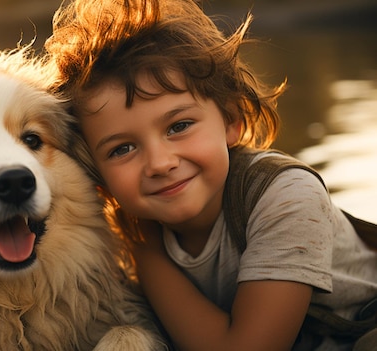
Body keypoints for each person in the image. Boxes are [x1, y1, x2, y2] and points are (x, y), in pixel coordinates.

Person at [43, 0, 377, 350]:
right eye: (122, 149)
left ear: (232, 120)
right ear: (97, 175)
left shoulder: (286, 195)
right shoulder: (124, 228)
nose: (159, 162)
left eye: (179, 126)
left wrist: (146, 253)